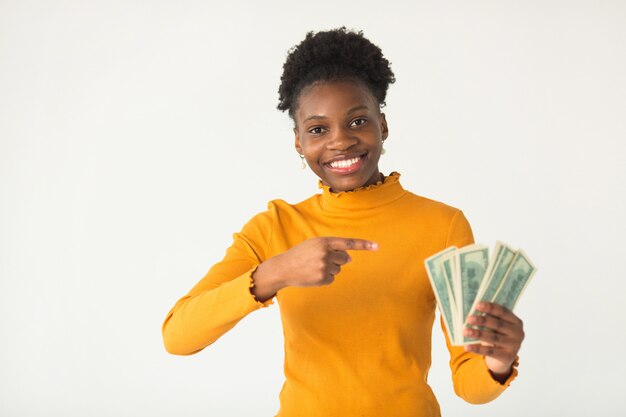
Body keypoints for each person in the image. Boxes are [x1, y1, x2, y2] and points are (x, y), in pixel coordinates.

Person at [162, 27, 525, 417]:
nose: (340, 141)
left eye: (357, 122)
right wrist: (273, 274)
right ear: (299, 143)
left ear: (382, 125)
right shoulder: (274, 227)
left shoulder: (444, 225)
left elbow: (469, 384)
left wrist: (496, 364)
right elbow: (179, 336)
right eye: (318, 129)